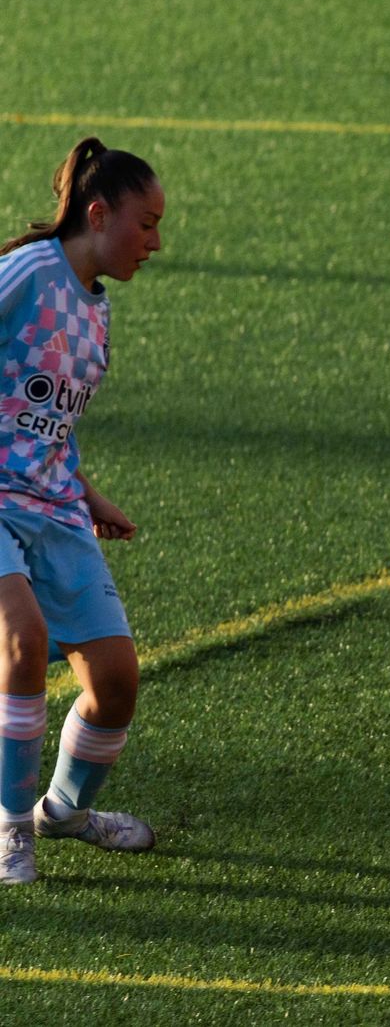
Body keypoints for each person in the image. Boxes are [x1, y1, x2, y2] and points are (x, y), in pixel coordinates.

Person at [0, 137, 164, 885]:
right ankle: (9, 833)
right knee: (24, 643)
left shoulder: (96, 316)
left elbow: (49, 423)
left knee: (116, 679)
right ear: (98, 214)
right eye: (147, 223)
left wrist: (90, 495)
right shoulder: (29, 273)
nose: (155, 243)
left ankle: (60, 814)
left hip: (55, 504)